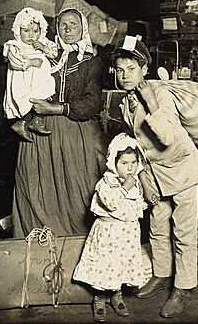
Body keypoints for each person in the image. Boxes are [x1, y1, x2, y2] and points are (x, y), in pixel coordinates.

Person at [111, 36, 198, 318]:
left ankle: (183, 287)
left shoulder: (160, 93)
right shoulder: (125, 101)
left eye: (131, 68)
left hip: (181, 169)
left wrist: (151, 100)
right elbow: (136, 146)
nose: (124, 75)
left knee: (184, 232)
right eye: (119, 70)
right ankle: (162, 274)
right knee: (157, 226)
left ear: (144, 69)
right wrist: (143, 180)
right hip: (155, 174)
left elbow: (165, 136)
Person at [12, 7, 105, 238]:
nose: (67, 29)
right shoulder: (45, 56)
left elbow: (92, 103)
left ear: (83, 28)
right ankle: (38, 240)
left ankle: (77, 244)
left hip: (73, 130)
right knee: (35, 184)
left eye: (73, 24)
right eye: (63, 24)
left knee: (76, 190)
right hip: (39, 130)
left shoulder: (92, 62)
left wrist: (55, 108)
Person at [73, 132, 148, 322]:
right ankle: (100, 298)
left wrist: (144, 202)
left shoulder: (136, 182)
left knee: (121, 264)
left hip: (127, 234)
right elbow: (112, 203)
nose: (130, 168)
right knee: (106, 266)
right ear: (114, 163)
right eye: (124, 163)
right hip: (109, 233)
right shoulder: (106, 183)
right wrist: (125, 188)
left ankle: (117, 295)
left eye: (133, 163)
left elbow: (135, 205)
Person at [3, 7, 58, 142]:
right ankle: (22, 122)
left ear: (41, 31)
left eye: (35, 31)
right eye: (26, 31)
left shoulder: (43, 42)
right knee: (28, 99)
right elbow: (14, 62)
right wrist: (32, 62)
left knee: (46, 94)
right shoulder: (15, 45)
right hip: (24, 80)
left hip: (41, 79)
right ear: (18, 31)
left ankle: (36, 121)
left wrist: (44, 48)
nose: (31, 35)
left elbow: (54, 53)